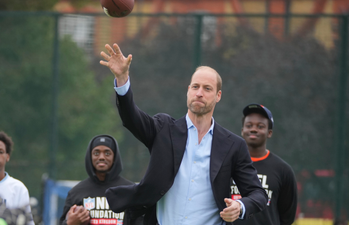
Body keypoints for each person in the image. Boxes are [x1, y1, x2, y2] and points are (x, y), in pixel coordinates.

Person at [99, 43, 268, 225]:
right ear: (188, 90)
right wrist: (122, 79)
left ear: (218, 96)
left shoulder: (233, 145)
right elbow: (131, 118)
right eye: (195, 87)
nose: (199, 93)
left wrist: (240, 206)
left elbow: (258, 194)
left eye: (207, 88)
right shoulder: (163, 129)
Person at [230, 104, 298, 225]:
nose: (253, 129)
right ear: (242, 130)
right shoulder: (228, 165)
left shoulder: (283, 170)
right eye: (249, 125)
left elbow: (287, 216)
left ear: (269, 132)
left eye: (260, 126)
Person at [59, 134, 141, 225]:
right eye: (96, 153)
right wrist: (70, 223)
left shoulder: (130, 191)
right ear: (90, 157)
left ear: (114, 157)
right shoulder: (76, 192)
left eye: (107, 153)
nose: (101, 157)